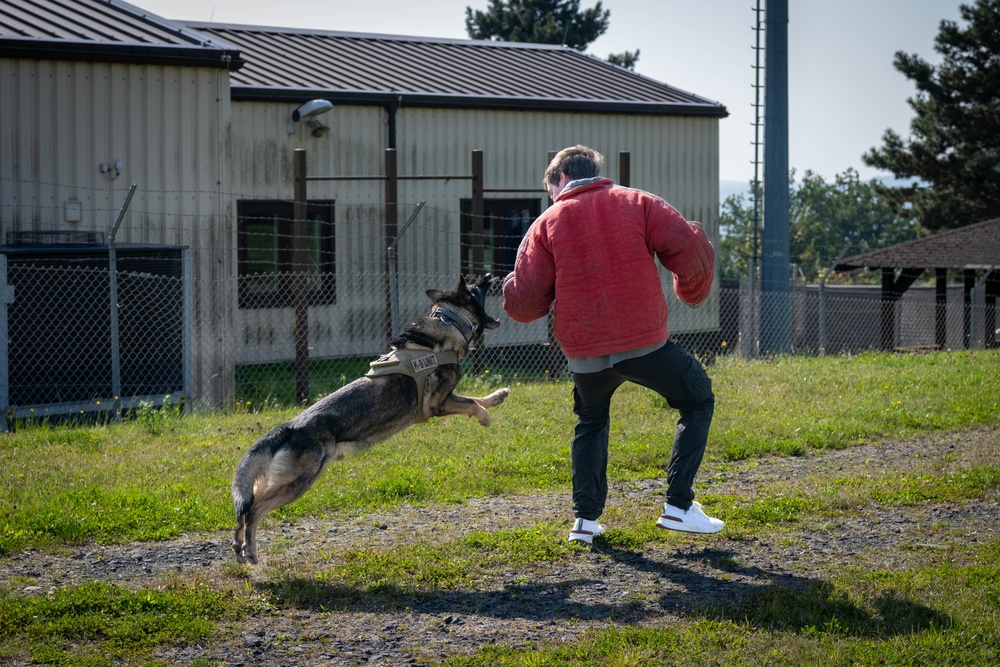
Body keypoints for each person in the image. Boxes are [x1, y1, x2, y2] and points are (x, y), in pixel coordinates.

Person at [501, 145, 722, 544]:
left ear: (560, 180)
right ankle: (678, 506)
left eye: (551, 190)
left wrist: (508, 288)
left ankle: (585, 522)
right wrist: (689, 289)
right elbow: (689, 250)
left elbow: (525, 301)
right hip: (645, 344)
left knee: (591, 422)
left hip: (584, 354)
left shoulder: (547, 222)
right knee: (697, 400)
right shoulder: (638, 202)